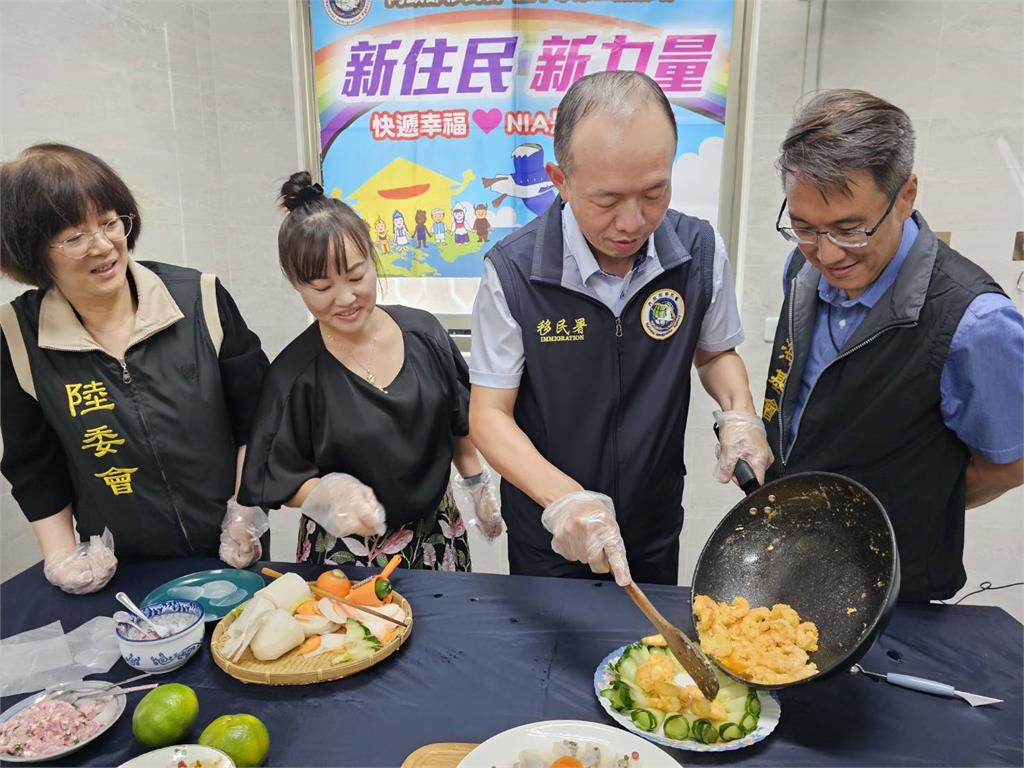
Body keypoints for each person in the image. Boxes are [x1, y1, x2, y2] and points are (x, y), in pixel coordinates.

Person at [469, 71, 772, 586]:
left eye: (654, 193)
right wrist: (564, 499)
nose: (633, 222)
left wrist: (739, 415)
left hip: (650, 524)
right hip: (551, 533)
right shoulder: (514, 272)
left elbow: (715, 351)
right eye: (607, 201)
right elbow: (489, 415)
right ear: (560, 181)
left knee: (650, 659)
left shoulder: (697, 252)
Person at [764, 89, 1024, 601]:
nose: (828, 254)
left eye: (851, 229)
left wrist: (902, 513)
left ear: (905, 196)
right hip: (790, 560)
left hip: (890, 592)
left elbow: (1009, 463)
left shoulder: (977, 323)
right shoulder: (803, 268)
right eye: (803, 228)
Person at [0, 144, 270, 594]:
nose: (103, 246)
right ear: (34, 253)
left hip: (229, 552)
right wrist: (62, 557)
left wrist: (244, 515)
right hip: (119, 573)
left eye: (109, 222)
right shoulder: (17, 335)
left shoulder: (199, 299)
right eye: (74, 236)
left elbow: (259, 421)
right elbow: (33, 465)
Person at [238, 174, 502, 570]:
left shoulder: (424, 333)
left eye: (357, 277)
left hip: (436, 536)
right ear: (296, 284)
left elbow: (459, 424)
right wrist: (329, 494)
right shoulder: (294, 375)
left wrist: (477, 486)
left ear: (372, 259)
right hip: (344, 552)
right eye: (322, 287)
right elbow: (278, 477)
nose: (345, 298)